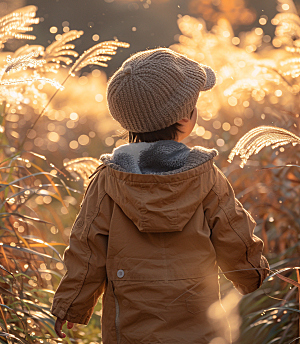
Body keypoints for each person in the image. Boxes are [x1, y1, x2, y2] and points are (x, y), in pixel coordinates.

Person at [51, 47, 269, 344]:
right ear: (184, 119)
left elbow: (87, 248)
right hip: (199, 324)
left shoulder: (107, 180)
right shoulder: (205, 176)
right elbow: (234, 233)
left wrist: (71, 304)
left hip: (129, 327)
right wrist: (253, 275)